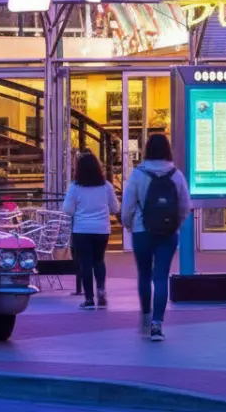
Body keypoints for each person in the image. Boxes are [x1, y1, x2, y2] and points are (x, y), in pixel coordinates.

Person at [121, 133, 192, 342]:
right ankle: (157, 325)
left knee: (144, 273)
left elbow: (128, 207)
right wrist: (175, 223)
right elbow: (185, 206)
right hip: (168, 233)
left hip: (142, 231)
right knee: (160, 276)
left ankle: (145, 315)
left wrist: (129, 225)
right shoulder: (176, 174)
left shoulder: (138, 174)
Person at [63, 152, 119, 310]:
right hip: (102, 229)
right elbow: (115, 207)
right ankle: (101, 289)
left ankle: (89, 299)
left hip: (81, 229)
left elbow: (67, 209)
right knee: (99, 260)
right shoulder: (106, 186)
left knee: (85, 262)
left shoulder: (75, 187)